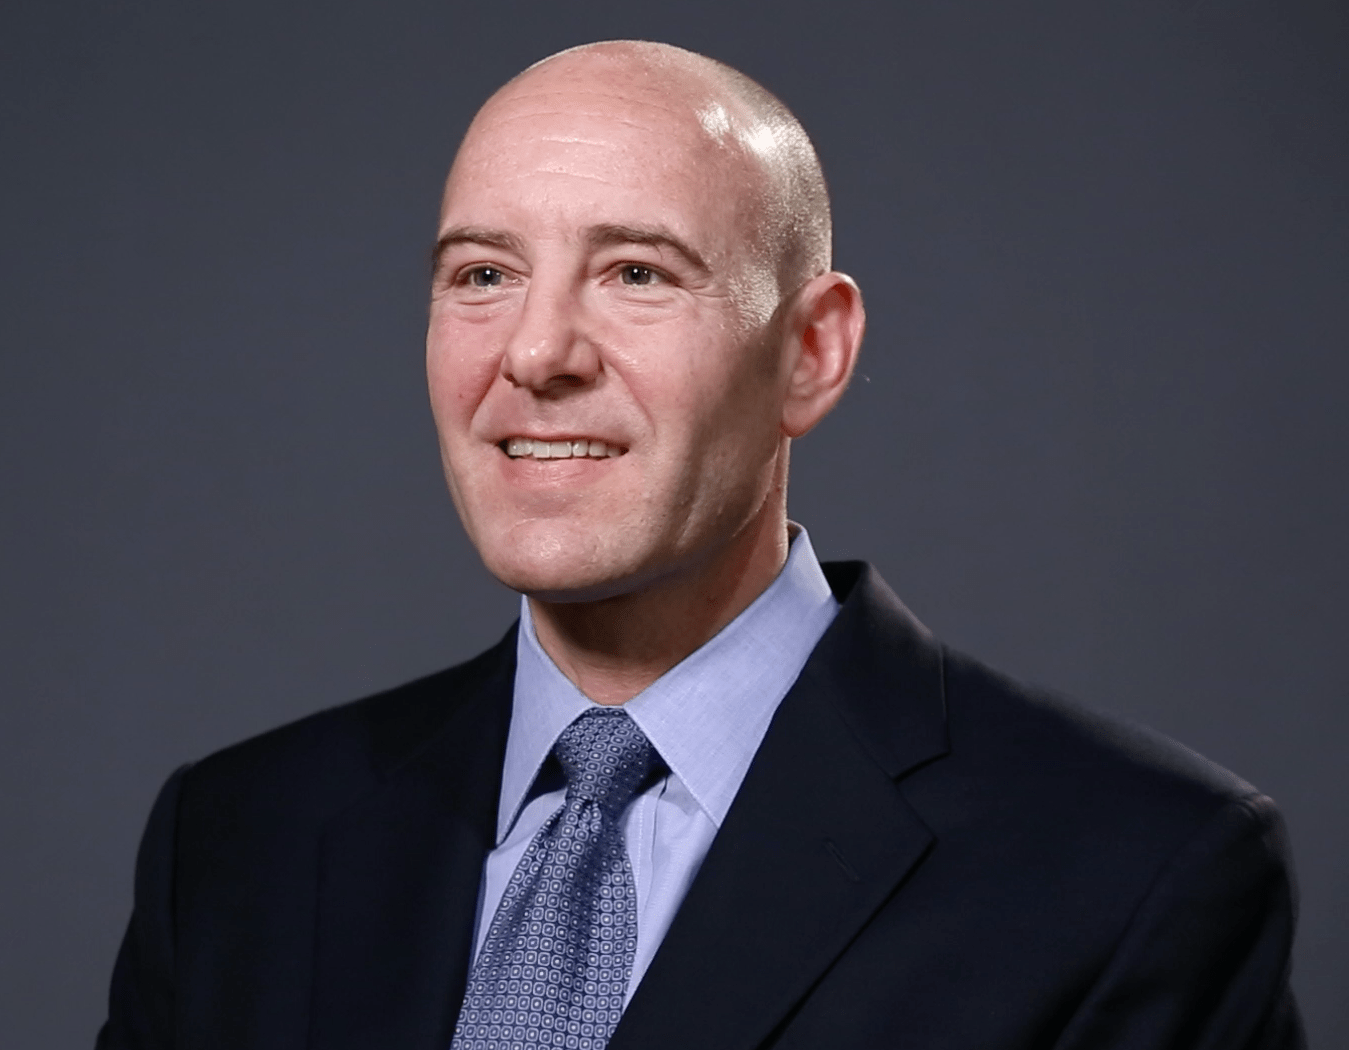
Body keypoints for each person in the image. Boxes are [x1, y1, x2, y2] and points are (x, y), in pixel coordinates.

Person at [97, 40, 1303, 1050]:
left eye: (635, 272)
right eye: (483, 273)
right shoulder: (236, 842)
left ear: (810, 352)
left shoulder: (1133, 870)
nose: (535, 353)